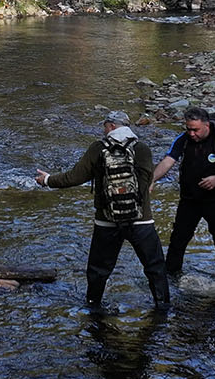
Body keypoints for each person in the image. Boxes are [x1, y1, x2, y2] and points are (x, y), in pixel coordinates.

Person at [35, 109, 171, 313]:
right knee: (155, 267)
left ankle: (94, 308)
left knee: (99, 270)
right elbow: (146, 182)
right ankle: (163, 308)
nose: (103, 130)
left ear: (111, 126)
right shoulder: (142, 148)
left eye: (104, 126)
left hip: (107, 221)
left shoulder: (98, 148)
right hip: (140, 220)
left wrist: (47, 180)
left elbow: (74, 177)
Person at [151, 106, 215, 281]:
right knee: (178, 240)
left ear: (206, 126)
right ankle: (170, 276)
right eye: (188, 129)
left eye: (195, 130)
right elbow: (167, 162)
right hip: (190, 199)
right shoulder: (183, 140)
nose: (191, 133)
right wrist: (151, 180)